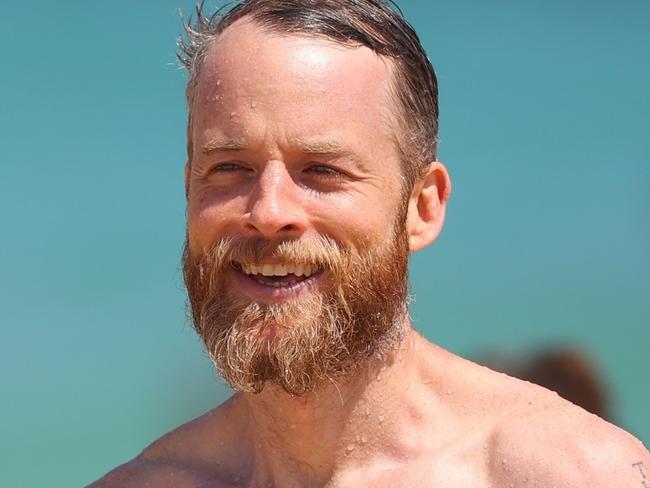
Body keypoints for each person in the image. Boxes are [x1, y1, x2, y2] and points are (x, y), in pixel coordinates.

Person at [91, 1, 649, 486]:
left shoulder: (566, 474)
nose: (268, 212)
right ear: (189, 189)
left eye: (323, 170)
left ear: (422, 207)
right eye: (230, 167)